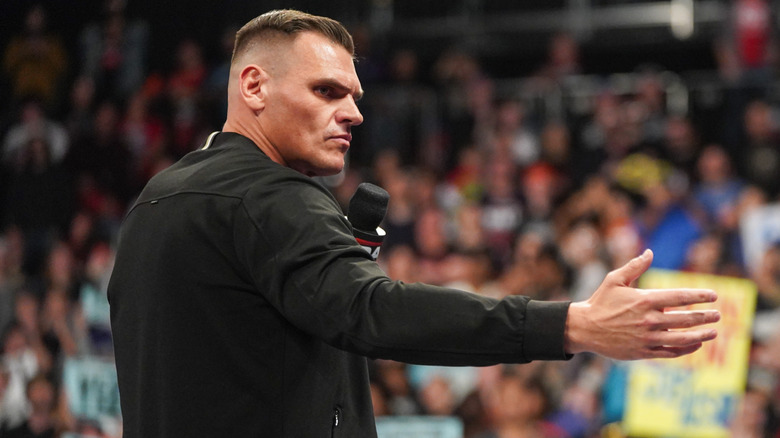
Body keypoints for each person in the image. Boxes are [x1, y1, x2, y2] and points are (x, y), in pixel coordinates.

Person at [107, 9, 721, 437]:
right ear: (254, 86)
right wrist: (570, 324)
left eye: (354, 96)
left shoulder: (151, 204)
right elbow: (373, 311)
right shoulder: (273, 196)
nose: (352, 113)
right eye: (327, 92)